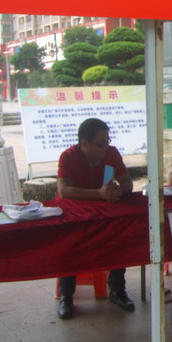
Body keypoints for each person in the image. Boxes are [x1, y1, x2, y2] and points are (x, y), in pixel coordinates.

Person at [56, 118, 135, 319]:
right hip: (75, 211)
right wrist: (98, 194)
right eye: (101, 143)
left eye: (107, 141)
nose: (105, 146)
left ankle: (117, 290)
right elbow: (64, 190)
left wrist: (118, 191)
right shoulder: (68, 157)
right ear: (84, 143)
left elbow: (128, 183)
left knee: (120, 233)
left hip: (104, 210)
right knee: (70, 241)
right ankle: (66, 295)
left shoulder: (112, 153)